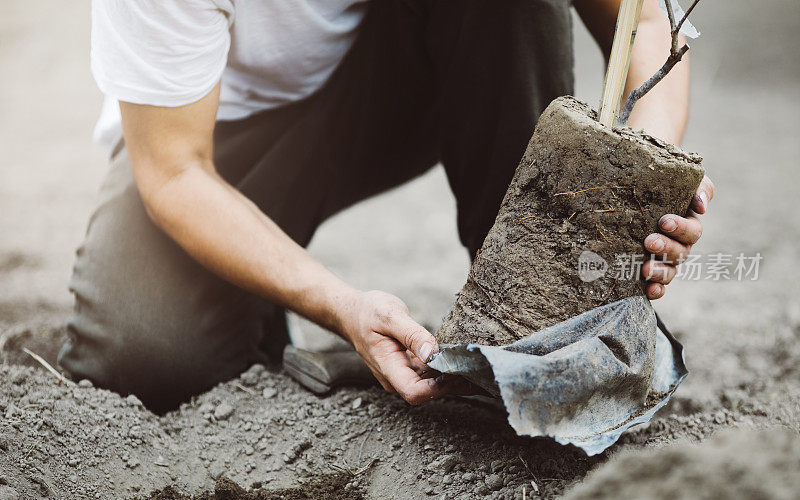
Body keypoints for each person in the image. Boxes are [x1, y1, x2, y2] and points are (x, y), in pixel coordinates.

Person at [59, 0, 715, 413]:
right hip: (211, 146)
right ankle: (265, 314)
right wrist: (339, 304)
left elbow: (650, 21)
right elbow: (174, 170)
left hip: (387, 81)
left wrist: (634, 185)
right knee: (143, 354)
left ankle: (537, 326)